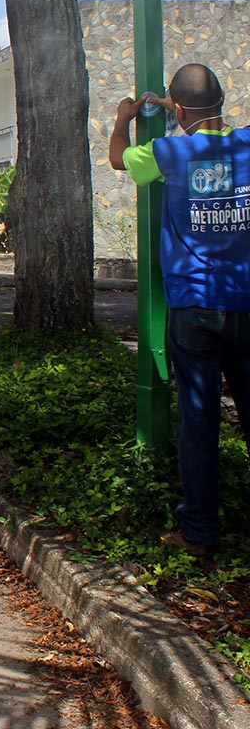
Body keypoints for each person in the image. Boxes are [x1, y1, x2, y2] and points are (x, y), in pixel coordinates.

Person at [109, 62, 250, 557]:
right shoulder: (248, 142)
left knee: (199, 422)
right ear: (225, 99)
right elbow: (207, 121)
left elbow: (118, 160)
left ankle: (199, 534)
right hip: (247, 302)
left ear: (180, 109)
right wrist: (184, 107)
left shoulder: (168, 152)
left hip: (193, 306)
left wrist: (126, 116)